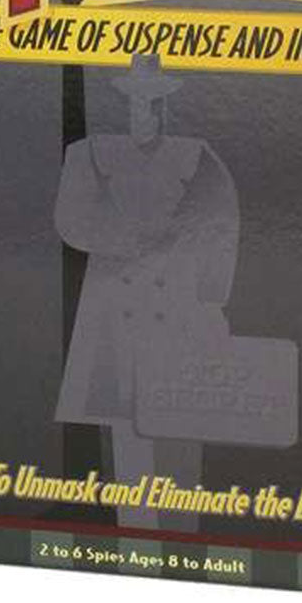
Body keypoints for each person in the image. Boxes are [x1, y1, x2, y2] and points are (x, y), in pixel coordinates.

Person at [53, 54, 238, 530]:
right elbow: (71, 219)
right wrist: (128, 239)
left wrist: (212, 298)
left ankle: (182, 540)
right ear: (124, 102)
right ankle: (136, 536)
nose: (146, 111)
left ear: (167, 104)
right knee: (126, 436)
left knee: (182, 429)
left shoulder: (198, 157)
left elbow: (222, 222)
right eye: (138, 101)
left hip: (180, 313)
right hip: (116, 316)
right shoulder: (92, 155)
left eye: (155, 101)